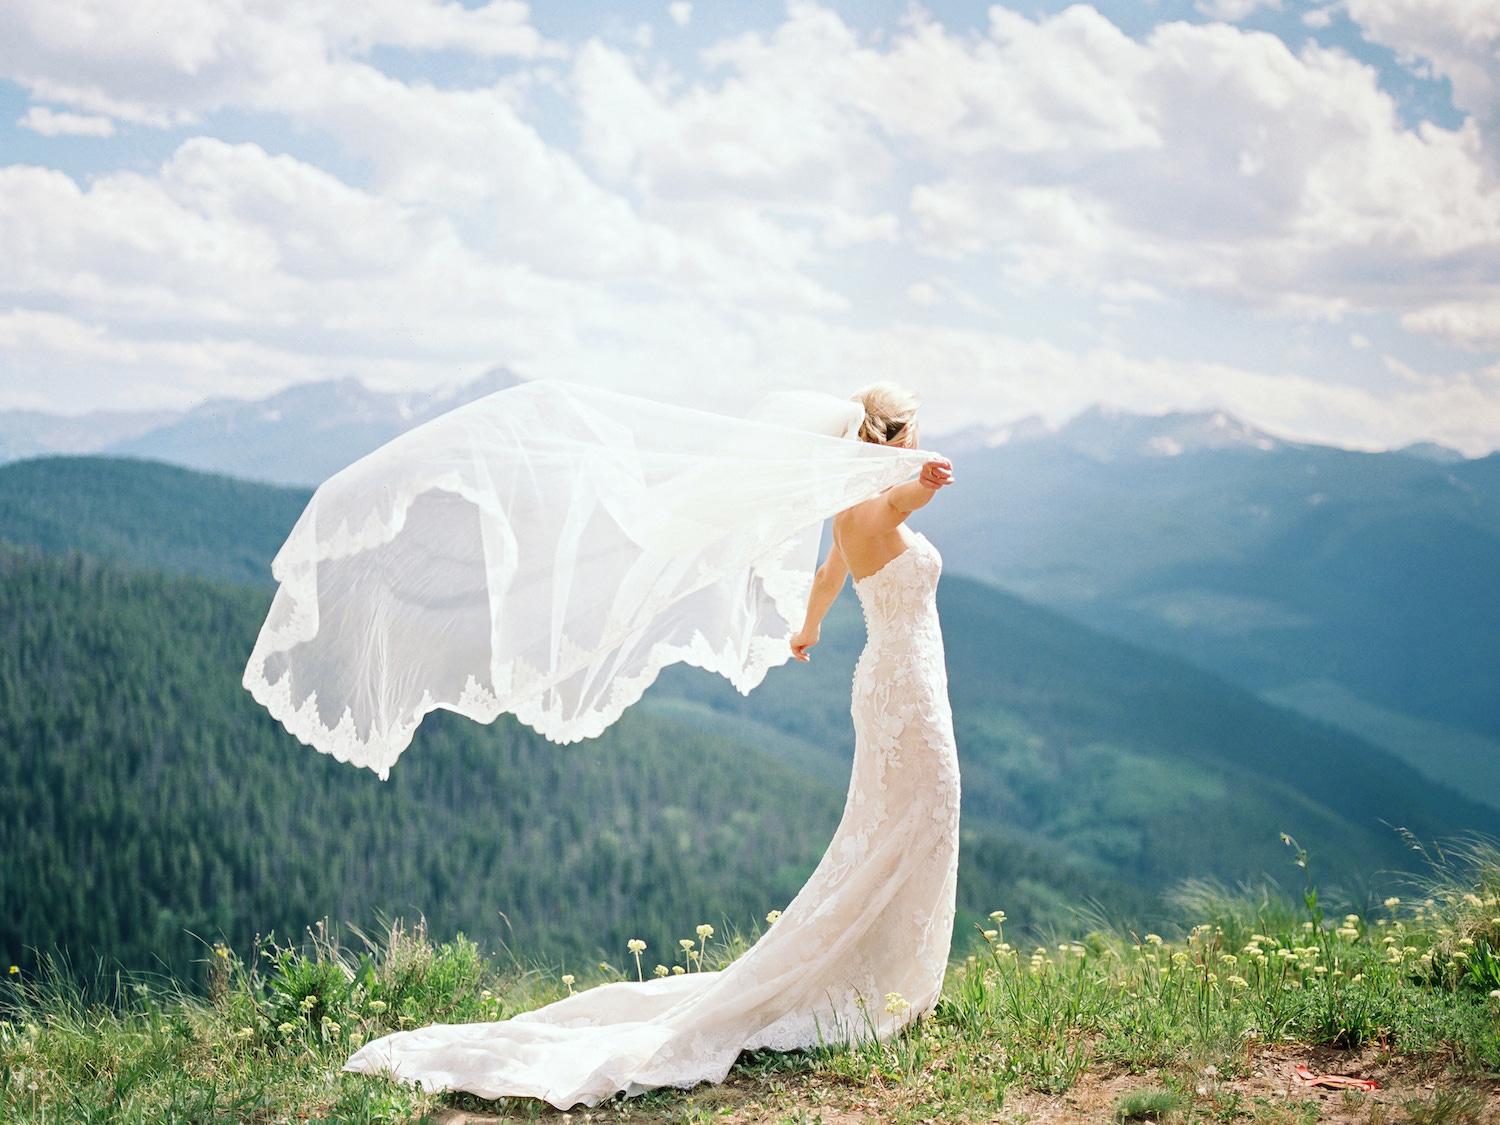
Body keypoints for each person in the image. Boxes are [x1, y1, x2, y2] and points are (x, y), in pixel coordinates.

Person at [341, 381, 960, 1108]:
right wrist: (923, 482)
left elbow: (830, 574)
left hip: (888, 684)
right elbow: (900, 504)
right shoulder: (882, 502)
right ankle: (893, 978)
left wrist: (809, 627)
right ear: (895, 437)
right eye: (914, 433)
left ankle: (884, 971)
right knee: (920, 817)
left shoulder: (845, 512)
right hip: (907, 692)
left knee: (897, 824)